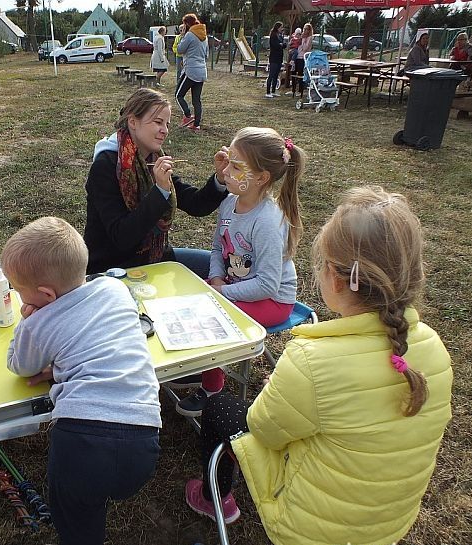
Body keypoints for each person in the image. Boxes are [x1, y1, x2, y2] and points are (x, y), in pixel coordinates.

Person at [184, 186, 453, 545]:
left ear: (340, 280)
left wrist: (278, 393)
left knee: (221, 409)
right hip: (388, 523)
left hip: (312, 529)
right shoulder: (435, 349)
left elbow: (264, 430)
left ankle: (216, 499)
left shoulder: (312, 360)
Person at [2, 216, 161, 545]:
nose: (17, 297)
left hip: (80, 442)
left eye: (18, 290)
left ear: (45, 295)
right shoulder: (115, 289)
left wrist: (27, 321)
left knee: (75, 514)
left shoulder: (39, 320)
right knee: (102, 488)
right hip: (143, 438)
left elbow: (19, 364)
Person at [176, 127, 306, 418]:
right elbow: (216, 249)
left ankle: (212, 389)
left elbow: (269, 285)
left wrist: (222, 293)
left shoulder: (268, 223)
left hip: (273, 302)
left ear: (261, 178)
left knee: (213, 316)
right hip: (236, 285)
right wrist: (217, 278)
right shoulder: (229, 203)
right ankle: (201, 367)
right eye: (228, 161)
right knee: (192, 299)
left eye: (236, 166)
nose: (226, 170)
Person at [84, 87, 227, 276]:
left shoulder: (152, 158)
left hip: (156, 259)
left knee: (221, 267)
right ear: (133, 121)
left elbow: (196, 204)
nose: (165, 131)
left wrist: (220, 178)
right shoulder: (107, 166)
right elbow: (122, 237)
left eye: (167, 124)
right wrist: (160, 191)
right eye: (158, 122)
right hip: (114, 270)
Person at [176, 13, 209, 131]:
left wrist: (183, 36)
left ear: (186, 24)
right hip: (202, 71)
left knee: (178, 95)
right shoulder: (204, 36)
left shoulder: (189, 35)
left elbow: (180, 50)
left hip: (190, 70)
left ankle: (188, 116)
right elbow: (207, 55)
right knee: (196, 99)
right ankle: (196, 124)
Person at [289, 23, 313, 97]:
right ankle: (293, 90)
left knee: (300, 74)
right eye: (304, 28)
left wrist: (303, 41)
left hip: (302, 58)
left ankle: (300, 90)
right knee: (293, 72)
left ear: (309, 30)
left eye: (306, 29)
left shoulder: (309, 38)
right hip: (296, 57)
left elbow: (305, 48)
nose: (304, 30)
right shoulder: (301, 36)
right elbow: (295, 43)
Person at [266, 22, 286, 98]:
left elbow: (283, 44)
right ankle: (268, 92)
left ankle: (273, 91)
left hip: (279, 57)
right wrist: (280, 45)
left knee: (276, 75)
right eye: (281, 27)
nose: (282, 29)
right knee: (271, 74)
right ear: (277, 28)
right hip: (273, 58)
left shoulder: (280, 36)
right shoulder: (273, 35)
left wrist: (282, 45)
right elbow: (275, 45)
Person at [172, 23, 186, 94]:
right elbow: (174, 46)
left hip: (185, 56)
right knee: (179, 70)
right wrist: (176, 51)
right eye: (180, 30)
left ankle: (185, 83)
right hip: (178, 56)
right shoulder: (177, 37)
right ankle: (178, 82)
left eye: (182, 30)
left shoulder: (187, 37)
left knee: (185, 70)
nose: (181, 32)